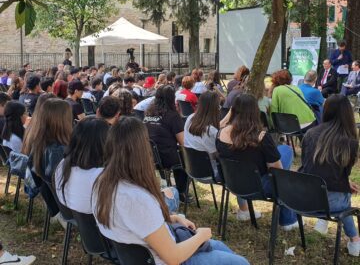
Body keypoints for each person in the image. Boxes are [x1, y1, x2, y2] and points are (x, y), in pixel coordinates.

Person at [92, 117, 250, 265]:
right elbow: (173, 257)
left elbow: (137, 223)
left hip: (150, 252)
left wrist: (172, 218)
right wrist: (202, 234)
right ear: (140, 150)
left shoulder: (102, 182)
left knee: (219, 246)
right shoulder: (137, 198)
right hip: (169, 259)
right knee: (240, 262)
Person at [217, 94, 298, 228]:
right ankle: (287, 219)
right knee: (286, 154)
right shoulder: (261, 137)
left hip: (233, 182)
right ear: (255, 112)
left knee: (284, 151)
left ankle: (244, 210)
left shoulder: (220, 134)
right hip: (259, 186)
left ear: (233, 110)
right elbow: (277, 171)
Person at [299, 94, 360, 256]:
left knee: (341, 188)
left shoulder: (310, 134)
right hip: (330, 203)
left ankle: (324, 222)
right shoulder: (350, 142)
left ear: (326, 110)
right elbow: (341, 176)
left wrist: (344, 183)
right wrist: (345, 185)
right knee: (345, 194)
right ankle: (355, 239)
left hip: (301, 198)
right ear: (348, 113)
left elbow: (307, 168)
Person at [55, 117, 109, 214]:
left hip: (73, 216)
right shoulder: (101, 176)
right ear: (104, 141)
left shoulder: (63, 163)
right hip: (97, 224)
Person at [144, 85, 189, 201]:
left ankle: (171, 187)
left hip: (149, 156)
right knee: (186, 159)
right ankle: (180, 192)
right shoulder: (172, 116)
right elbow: (183, 142)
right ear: (171, 98)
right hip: (166, 157)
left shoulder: (148, 113)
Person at [184, 91, 224, 175]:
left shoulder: (190, 118)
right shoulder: (211, 130)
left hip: (191, 168)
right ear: (215, 108)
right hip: (210, 172)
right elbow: (217, 155)